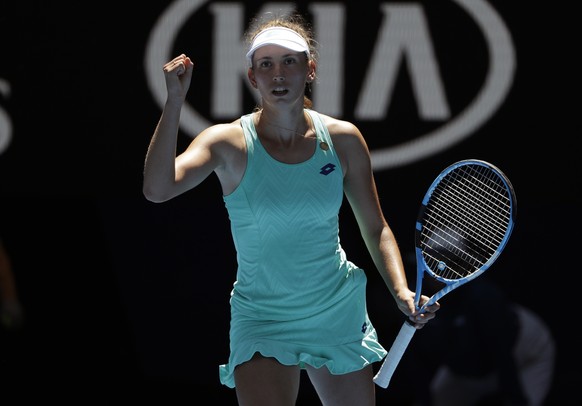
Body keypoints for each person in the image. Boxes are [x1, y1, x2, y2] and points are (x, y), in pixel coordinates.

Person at [143, 11, 440, 405]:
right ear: (253, 77)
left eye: (289, 62)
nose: (278, 74)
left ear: (309, 69)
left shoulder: (344, 140)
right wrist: (175, 102)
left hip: (335, 307)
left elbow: (375, 227)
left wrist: (400, 290)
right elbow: (158, 189)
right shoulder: (226, 143)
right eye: (265, 64)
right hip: (263, 317)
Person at [404, 275, 555, 406]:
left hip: (524, 353)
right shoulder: (412, 299)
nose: (437, 270)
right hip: (466, 367)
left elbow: (502, 356)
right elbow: (416, 361)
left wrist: (517, 401)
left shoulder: (482, 296)